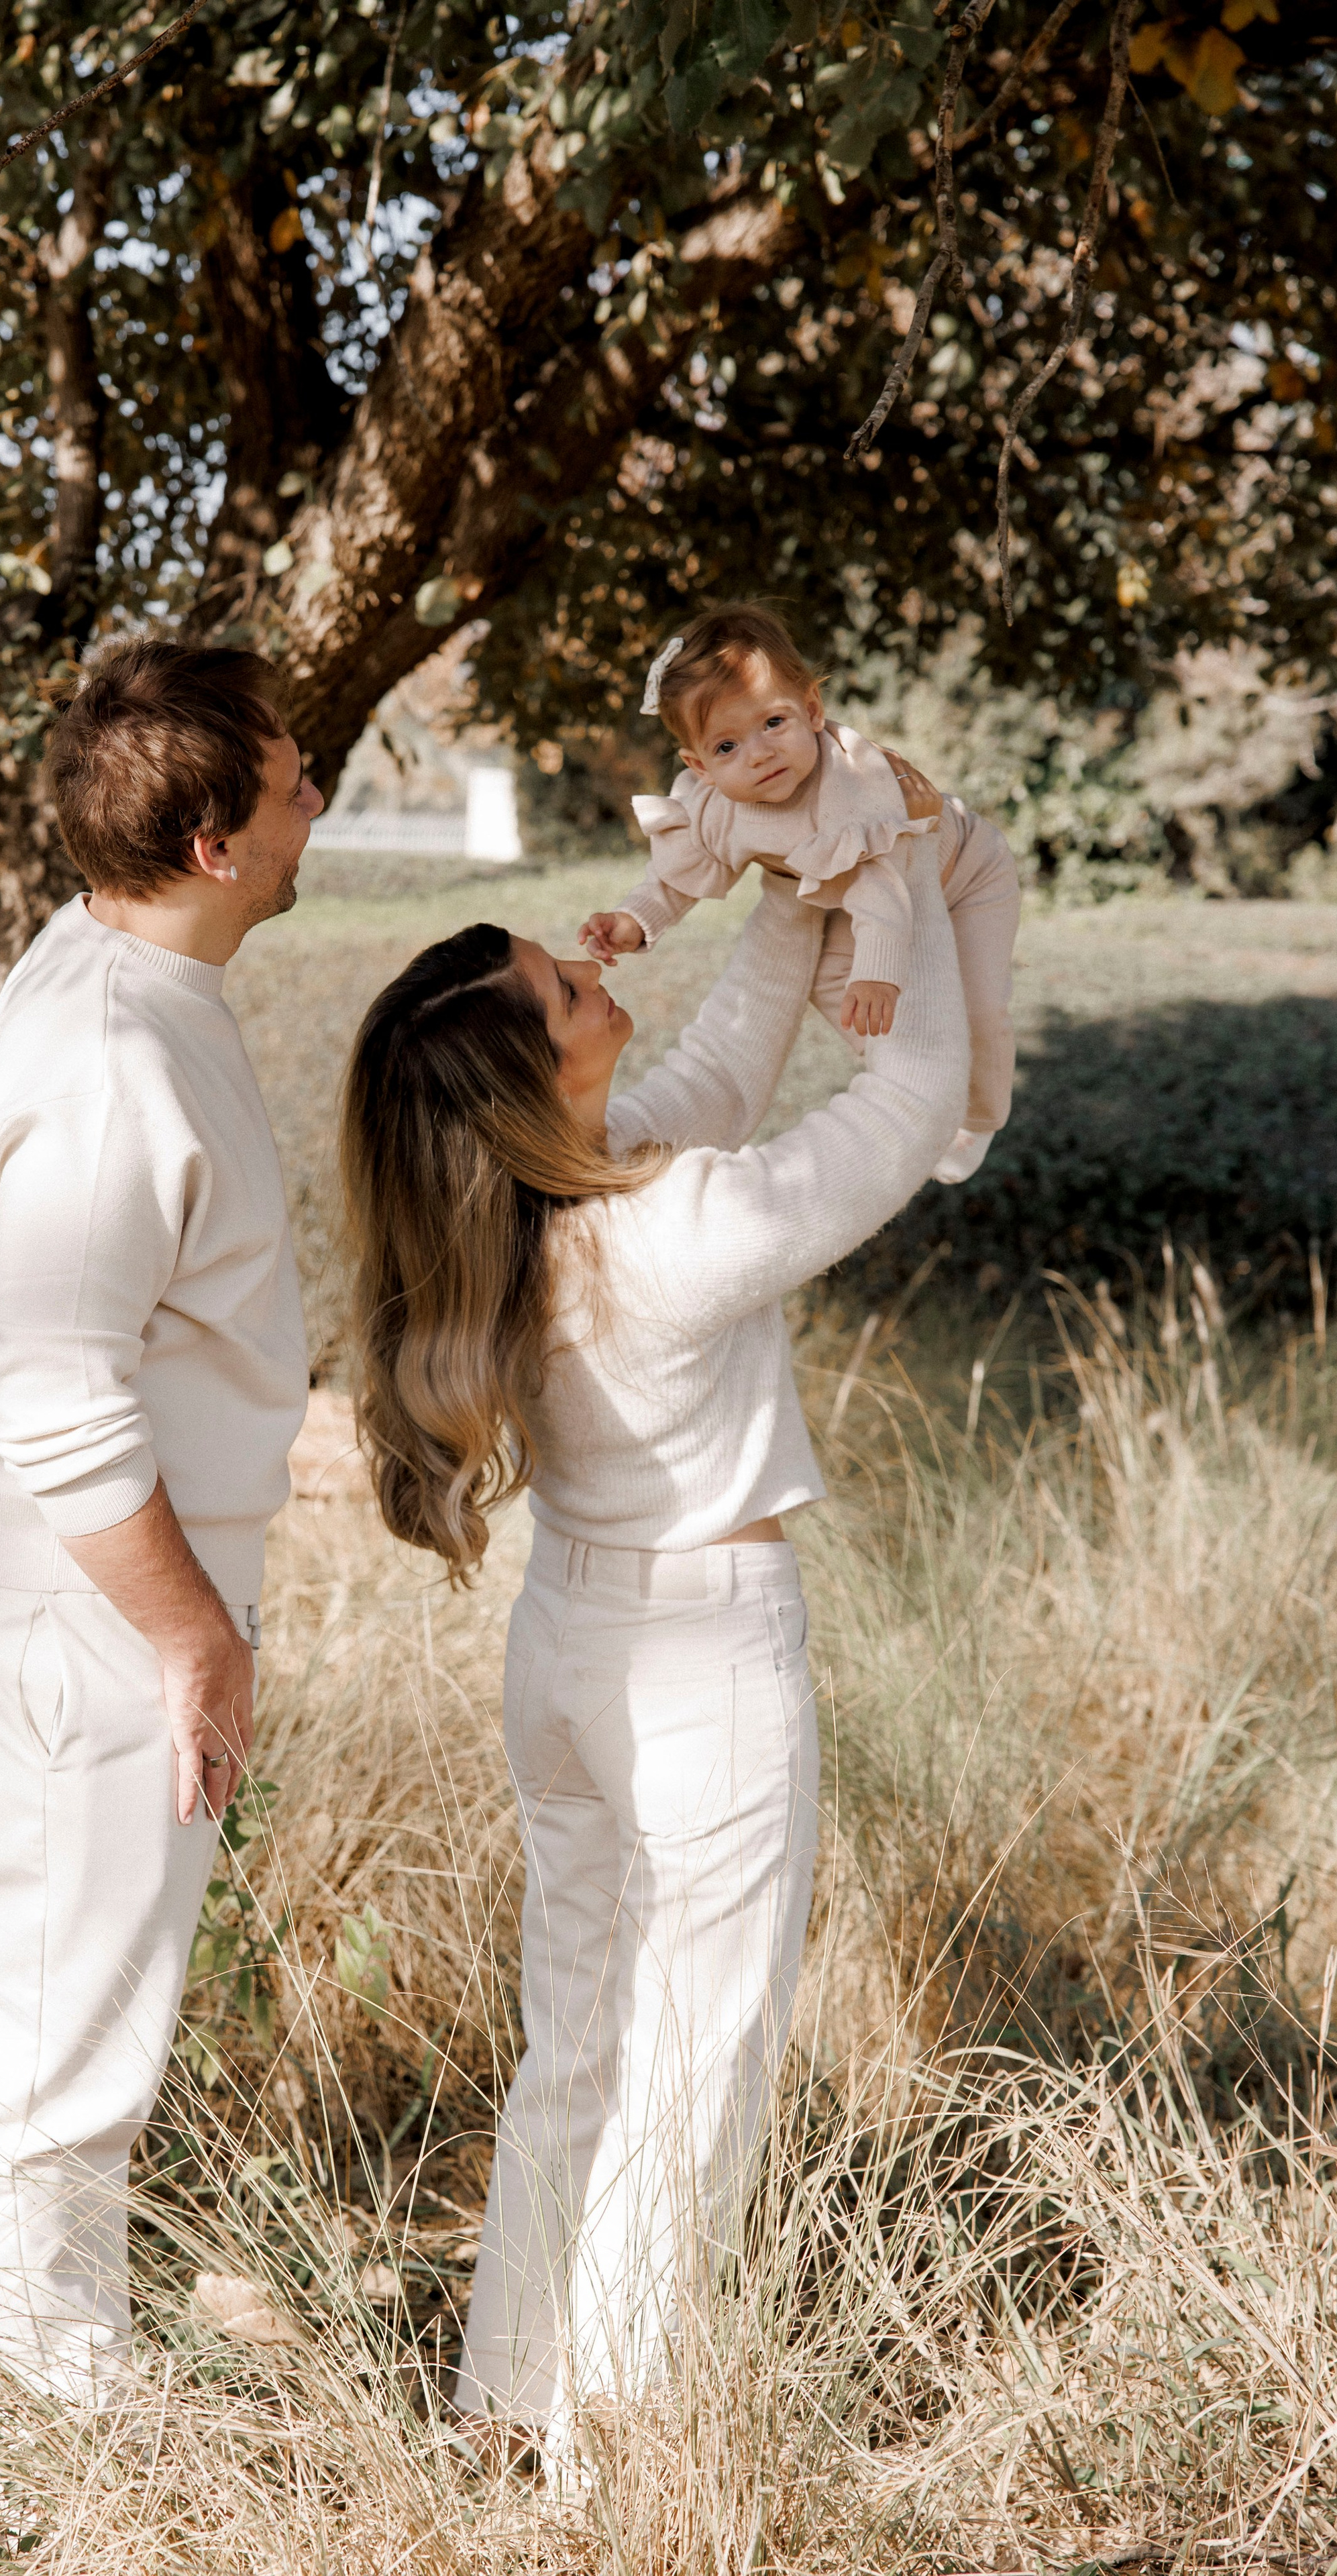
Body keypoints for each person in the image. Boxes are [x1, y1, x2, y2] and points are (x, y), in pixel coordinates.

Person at [339, 808, 969, 2474]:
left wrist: (794, 875)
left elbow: (721, 1061)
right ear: (539, 1076)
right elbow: (900, 1114)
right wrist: (898, 876)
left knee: (587, 2042)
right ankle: (619, 2442)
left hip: (570, 1654)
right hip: (700, 1659)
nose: (591, 957)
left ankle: (503, 2412)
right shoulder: (668, 1231)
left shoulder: (540, 1207)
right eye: (562, 983)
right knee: (694, 2061)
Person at [0, 637, 319, 2406]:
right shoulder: (115, 1047)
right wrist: (192, 1634)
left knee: (49, 2028)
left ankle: (54, 2402)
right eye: (293, 778)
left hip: (63, 1593)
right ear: (214, 844)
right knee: (55, 2060)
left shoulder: (102, 969)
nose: (315, 799)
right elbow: (59, 1390)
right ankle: (69, 2451)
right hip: (84, 1613)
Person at [579, 601, 1020, 1186]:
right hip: (851, 902)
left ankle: (977, 1115)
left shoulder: (852, 785)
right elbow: (677, 875)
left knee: (978, 1007)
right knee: (844, 994)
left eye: (773, 724)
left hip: (966, 877)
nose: (758, 753)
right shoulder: (716, 808)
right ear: (700, 766)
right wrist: (635, 921)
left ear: (812, 710)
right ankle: (918, 1077)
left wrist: (880, 967)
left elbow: (883, 882)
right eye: (727, 747)